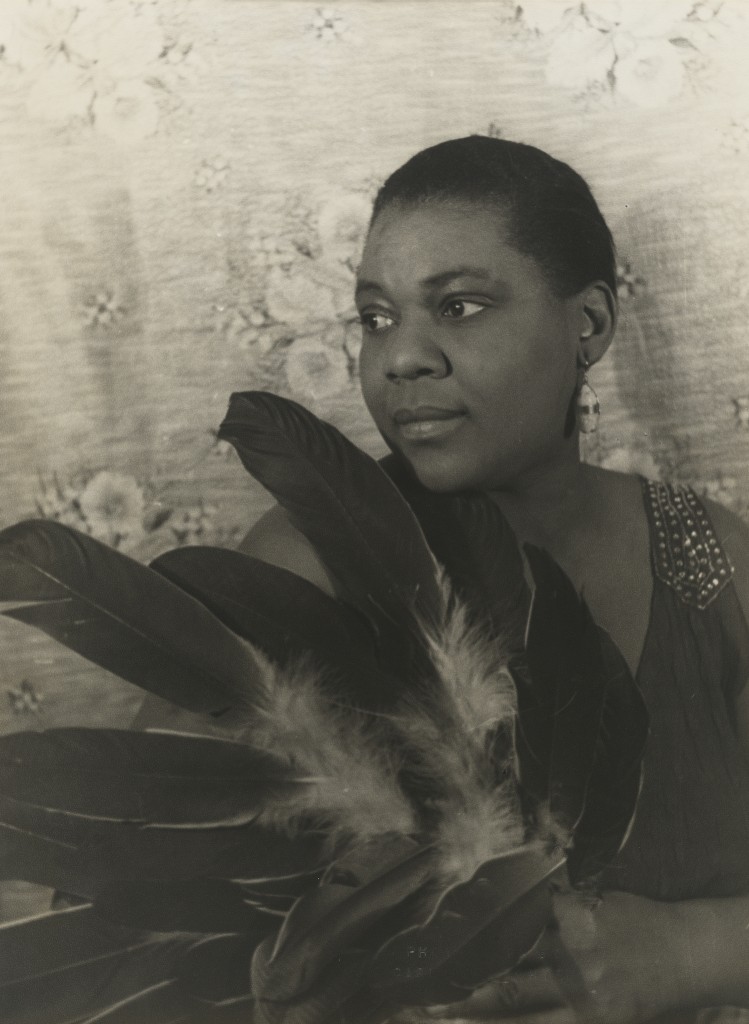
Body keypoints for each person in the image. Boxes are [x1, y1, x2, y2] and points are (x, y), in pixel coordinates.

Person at [238, 136, 749, 1023]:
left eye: (459, 306)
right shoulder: (305, 565)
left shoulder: (709, 561)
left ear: (588, 324)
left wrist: (689, 951)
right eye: (375, 317)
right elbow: (131, 888)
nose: (400, 357)